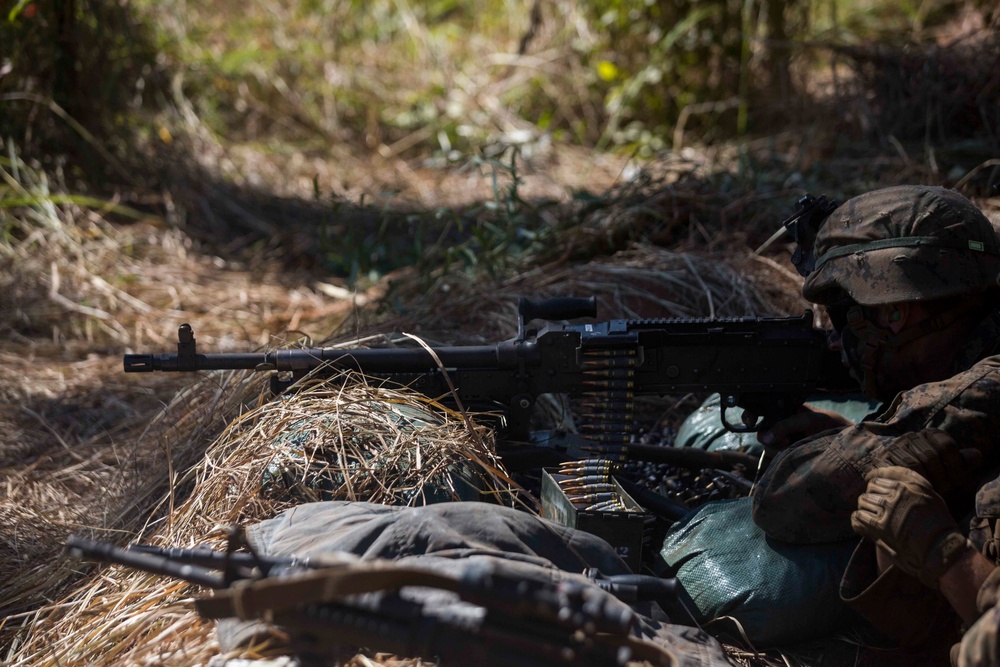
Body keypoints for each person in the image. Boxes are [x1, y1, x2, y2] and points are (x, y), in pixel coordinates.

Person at [750, 184, 1000, 545]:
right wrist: (849, 431)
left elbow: (787, 501)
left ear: (894, 313)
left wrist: (865, 441)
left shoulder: (980, 392)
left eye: (842, 317)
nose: (836, 340)